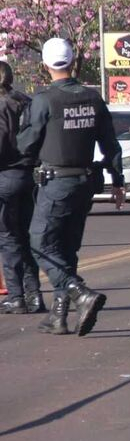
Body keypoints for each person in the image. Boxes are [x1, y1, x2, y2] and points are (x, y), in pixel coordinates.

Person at [17, 38, 126, 336]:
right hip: (86, 182)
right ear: (72, 62)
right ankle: (59, 315)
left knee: (39, 242)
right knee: (66, 247)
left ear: (45, 65)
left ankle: (80, 293)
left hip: (56, 182)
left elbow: (27, 144)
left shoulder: (44, 100)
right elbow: (110, 144)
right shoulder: (93, 99)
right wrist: (118, 181)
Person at [0, 60, 44, 315]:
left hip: (7, 174)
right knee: (25, 236)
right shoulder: (26, 102)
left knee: (8, 238)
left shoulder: (4, 105)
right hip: (28, 175)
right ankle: (34, 295)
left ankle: (17, 297)